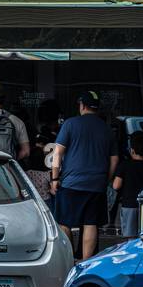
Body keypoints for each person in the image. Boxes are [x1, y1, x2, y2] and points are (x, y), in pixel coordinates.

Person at [51, 90, 119, 260]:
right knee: (91, 223)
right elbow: (115, 159)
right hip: (96, 184)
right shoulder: (107, 129)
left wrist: (54, 178)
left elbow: (58, 153)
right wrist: (106, 179)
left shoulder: (70, 124)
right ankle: (86, 263)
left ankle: (68, 260)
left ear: (82, 106)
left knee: (65, 222)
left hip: (71, 183)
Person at [112, 130, 143, 240]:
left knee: (130, 237)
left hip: (129, 205)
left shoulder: (124, 165)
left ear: (132, 150)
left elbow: (116, 186)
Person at [23, 136, 53, 205]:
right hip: (46, 200)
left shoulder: (26, 173)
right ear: (44, 160)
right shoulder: (47, 173)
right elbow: (53, 189)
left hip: (33, 201)